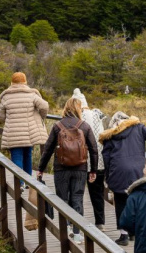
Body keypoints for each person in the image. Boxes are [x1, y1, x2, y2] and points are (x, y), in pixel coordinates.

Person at [37, 97, 99, 244]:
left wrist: (41, 168)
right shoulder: (85, 126)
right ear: (79, 109)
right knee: (77, 199)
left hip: (61, 168)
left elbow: (48, 149)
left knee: (62, 199)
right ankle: (77, 234)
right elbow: (94, 149)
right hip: (80, 169)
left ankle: (66, 229)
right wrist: (93, 170)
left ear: (66, 108)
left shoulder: (57, 126)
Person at [100, 111, 146, 246]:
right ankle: (134, 232)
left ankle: (124, 235)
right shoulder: (139, 127)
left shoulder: (110, 134)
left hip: (118, 170)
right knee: (136, 201)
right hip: (138, 171)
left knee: (120, 202)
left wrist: (108, 176)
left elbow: (106, 157)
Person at [0, 72, 49, 185]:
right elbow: (45, 106)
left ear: (12, 82)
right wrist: (41, 116)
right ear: (25, 82)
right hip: (28, 132)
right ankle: (28, 182)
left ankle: (20, 184)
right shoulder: (31, 94)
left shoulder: (6, 97)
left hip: (13, 133)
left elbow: (1, 117)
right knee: (27, 156)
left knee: (16, 157)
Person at [76, 88, 107, 230]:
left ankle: (77, 224)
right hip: (98, 161)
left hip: (80, 161)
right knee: (97, 193)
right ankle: (100, 222)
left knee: (77, 193)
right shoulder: (97, 114)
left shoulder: (76, 117)